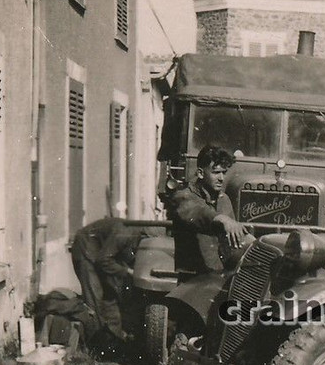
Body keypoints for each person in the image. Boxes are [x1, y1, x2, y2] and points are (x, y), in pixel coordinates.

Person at [160, 145, 250, 275]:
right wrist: (222, 219)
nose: (221, 178)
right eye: (215, 172)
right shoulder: (182, 196)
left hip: (220, 276)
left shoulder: (224, 200)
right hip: (192, 279)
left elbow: (232, 242)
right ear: (201, 173)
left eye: (224, 172)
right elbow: (196, 212)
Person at [69, 216, 146, 342]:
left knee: (110, 296)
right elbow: (104, 260)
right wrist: (127, 271)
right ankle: (95, 343)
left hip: (100, 252)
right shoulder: (125, 234)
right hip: (86, 250)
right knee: (94, 298)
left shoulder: (136, 236)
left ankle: (114, 339)